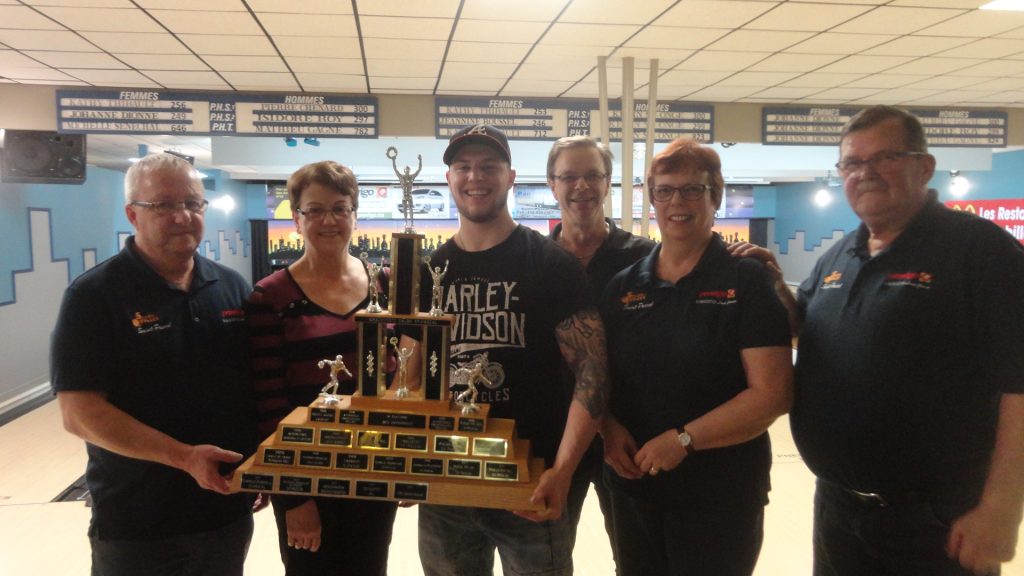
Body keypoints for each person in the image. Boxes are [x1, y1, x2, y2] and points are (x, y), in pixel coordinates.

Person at [732, 105, 1024, 576]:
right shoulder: (838, 255)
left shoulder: (980, 251)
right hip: (840, 509)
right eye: (852, 163)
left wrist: (1002, 508)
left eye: (884, 158)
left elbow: (1019, 384)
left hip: (936, 518)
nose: (864, 173)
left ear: (923, 167)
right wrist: (775, 288)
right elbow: (807, 331)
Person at [50, 152, 257, 576]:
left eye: (193, 203)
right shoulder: (93, 296)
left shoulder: (231, 286)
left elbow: (248, 386)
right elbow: (79, 413)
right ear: (133, 214)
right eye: (163, 205)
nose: (182, 216)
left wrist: (260, 464)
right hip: (137, 522)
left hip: (223, 512)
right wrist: (184, 458)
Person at [416, 124, 610, 576]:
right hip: (446, 483)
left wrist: (563, 471)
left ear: (511, 177)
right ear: (449, 178)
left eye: (489, 166)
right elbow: (412, 376)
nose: (475, 177)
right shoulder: (430, 272)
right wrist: (404, 458)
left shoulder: (551, 264)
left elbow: (592, 372)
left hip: (530, 481)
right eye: (463, 166)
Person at [599, 138, 793, 576]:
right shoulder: (624, 286)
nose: (677, 202)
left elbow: (773, 394)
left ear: (715, 196)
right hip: (635, 489)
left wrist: (684, 440)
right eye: (665, 190)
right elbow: (599, 379)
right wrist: (608, 429)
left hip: (720, 496)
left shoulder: (746, 280)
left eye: (692, 189)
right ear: (652, 198)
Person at [245, 161, 397, 576]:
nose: (329, 220)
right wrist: (293, 497)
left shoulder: (384, 284)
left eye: (340, 208)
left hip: (373, 467)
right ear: (297, 219)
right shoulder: (270, 297)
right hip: (306, 474)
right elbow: (268, 404)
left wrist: (404, 462)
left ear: (354, 215)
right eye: (315, 210)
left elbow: (397, 379)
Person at [546, 135, 655, 564]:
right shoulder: (535, 261)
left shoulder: (645, 259)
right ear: (552, 184)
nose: (582, 186)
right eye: (569, 176)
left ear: (609, 182)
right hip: (556, 440)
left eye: (593, 175)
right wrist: (600, 425)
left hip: (630, 438)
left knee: (637, 560)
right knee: (548, 563)